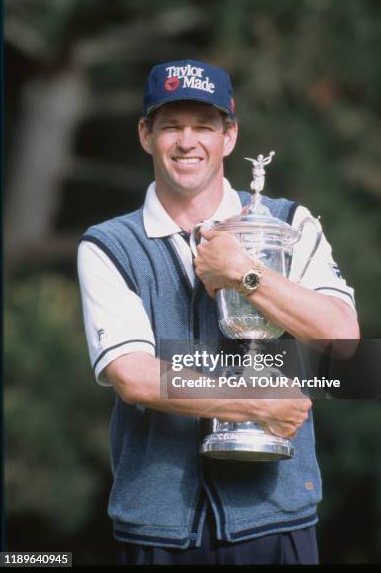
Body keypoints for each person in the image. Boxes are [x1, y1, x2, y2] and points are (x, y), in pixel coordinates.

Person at [77, 59, 359, 565]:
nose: (188, 142)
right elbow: (134, 378)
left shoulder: (290, 223)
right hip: (157, 528)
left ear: (229, 136)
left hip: (276, 515)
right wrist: (254, 405)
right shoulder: (108, 244)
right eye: (171, 127)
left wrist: (245, 274)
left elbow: (342, 338)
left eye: (204, 126)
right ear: (146, 135)